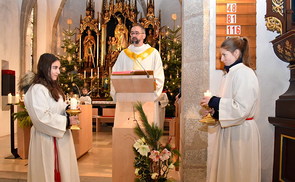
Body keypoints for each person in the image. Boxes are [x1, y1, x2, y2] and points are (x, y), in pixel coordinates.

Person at [200, 37, 261, 182]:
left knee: (239, 172)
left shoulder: (245, 73)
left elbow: (241, 108)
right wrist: (214, 112)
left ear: (236, 53)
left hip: (241, 133)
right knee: (228, 173)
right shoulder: (229, 74)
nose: (221, 59)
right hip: (230, 131)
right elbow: (229, 104)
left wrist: (214, 101)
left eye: (224, 55)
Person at [24, 53, 80, 182]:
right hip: (46, 138)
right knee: (47, 172)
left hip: (60, 136)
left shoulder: (53, 87)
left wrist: (69, 110)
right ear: (45, 67)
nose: (58, 72)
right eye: (55, 68)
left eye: (59, 68)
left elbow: (56, 107)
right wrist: (66, 121)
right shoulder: (37, 89)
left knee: (63, 171)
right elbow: (41, 118)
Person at [111, 24, 165, 126]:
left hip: (147, 98)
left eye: (137, 33)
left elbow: (159, 75)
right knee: (126, 129)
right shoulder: (124, 54)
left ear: (144, 35)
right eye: (132, 33)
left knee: (145, 128)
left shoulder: (153, 53)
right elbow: (115, 74)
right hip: (126, 99)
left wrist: (154, 93)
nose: (134, 35)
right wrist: (116, 92)